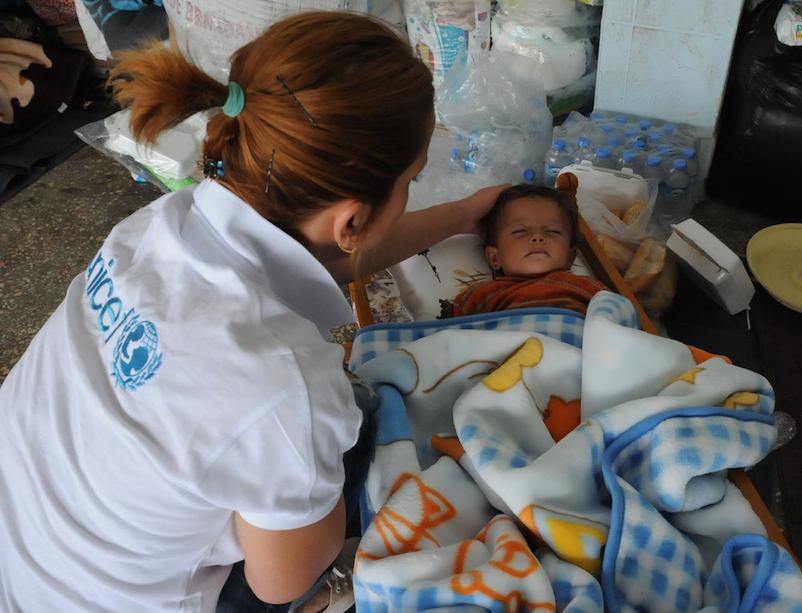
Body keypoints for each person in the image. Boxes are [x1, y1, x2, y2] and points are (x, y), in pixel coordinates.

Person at [0, 12, 505, 612]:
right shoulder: (287, 386)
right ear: (350, 220)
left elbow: (325, 258)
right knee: (361, 429)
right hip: (115, 601)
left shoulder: (159, 228)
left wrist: (463, 213)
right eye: (412, 181)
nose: (414, 193)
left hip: (27, 552)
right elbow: (279, 584)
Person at [452, 184, 608, 317]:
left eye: (553, 231)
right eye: (520, 231)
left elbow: (620, 320)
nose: (538, 237)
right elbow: (451, 338)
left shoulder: (589, 288)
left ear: (570, 256)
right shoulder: (482, 296)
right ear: (494, 258)